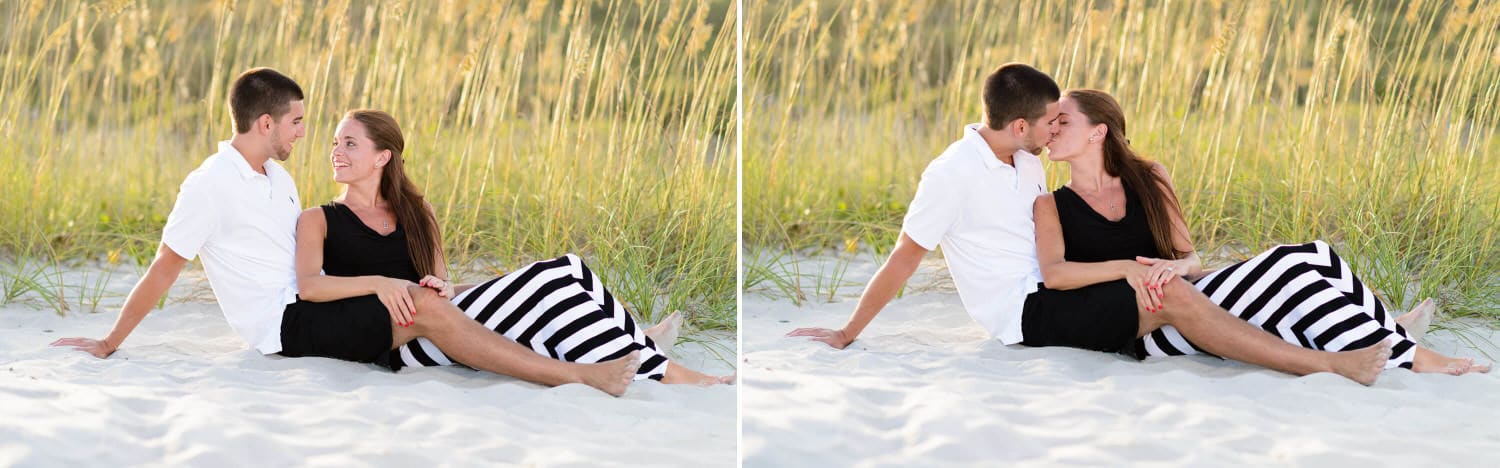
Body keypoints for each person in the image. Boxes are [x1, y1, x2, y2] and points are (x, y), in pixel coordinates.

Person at [788, 63, 1402, 385]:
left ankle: (1360, 330)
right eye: (1049, 120)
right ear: (1021, 125)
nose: (1056, 128)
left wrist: (1141, 269)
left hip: (1076, 290)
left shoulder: (1024, 159)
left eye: (1064, 120)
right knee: (1175, 297)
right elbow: (903, 258)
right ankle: (1327, 364)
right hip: (1027, 316)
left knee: (1191, 284)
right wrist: (847, 332)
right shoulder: (949, 175)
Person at [50, 68, 642, 396]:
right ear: (265, 122)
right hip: (286, 326)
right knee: (425, 311)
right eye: (298, 122)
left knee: (440, 300)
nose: (305, 134)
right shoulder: (208, 185)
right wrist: (109, 341)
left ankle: (626, 348)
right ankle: (580, 376)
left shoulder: (276, 177)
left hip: (320, 302)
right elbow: (163, 268)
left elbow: (318, 258)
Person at [1029, 88, 1487, 375]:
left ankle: (1391, 334)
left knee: (1315, 253)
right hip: (1152, 325)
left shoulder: (1150, 177)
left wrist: (1176, 265)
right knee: (1293, 272)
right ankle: (1412, 355)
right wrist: (1128, 270)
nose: (1050, 130)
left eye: (1062, 121)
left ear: (1098, 132)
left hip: (1195, 294)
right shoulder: (1051, 204)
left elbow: (1190, 258)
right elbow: (1055, 274)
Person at [297, 109, 730, 385]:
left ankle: (639, 347)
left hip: (446, 313)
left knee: (569, 267)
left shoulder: (417, 209)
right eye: (335, 143)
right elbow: (309, 287)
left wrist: (442, 286)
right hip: (408, 338)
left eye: (349, 143)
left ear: (382, 157)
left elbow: (441, 279)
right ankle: (672, 372)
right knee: (547, 285)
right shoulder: (319, 219)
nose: (336, 151)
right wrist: (381, 284)